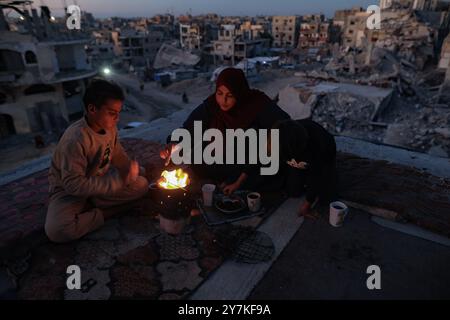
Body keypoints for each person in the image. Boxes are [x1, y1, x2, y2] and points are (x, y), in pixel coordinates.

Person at [45, 79, 149, 243]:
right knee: (58, 230)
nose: (117, 119)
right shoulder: (75, 140)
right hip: (69, 190)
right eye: (111, 113)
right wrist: (116, 183)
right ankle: (107, 212)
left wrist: (128, 169)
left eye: (118, 113)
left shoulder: (109, 128)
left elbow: (116, 153)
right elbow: (73, 184)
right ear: (92, 109)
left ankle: (94, 203)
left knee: (142, 185)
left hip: (98, 182)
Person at [160, 68, 290, 195]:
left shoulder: (257, 104)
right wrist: (173, 142)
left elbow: (285, 126)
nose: (223, 100)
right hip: (216, 157)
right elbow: (190, 127)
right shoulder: (211, 105)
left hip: (245, 162)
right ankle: (221, 181)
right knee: (191, 153)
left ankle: (235, 181)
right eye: (220, 93)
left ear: (240, 93)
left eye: (230, 95)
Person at [272, 119, 337, 217]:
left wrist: (307, 205)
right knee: (293, 192)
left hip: (324, 160)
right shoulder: (281, 138)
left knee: (326, 199)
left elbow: (316, 176)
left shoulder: (317, 145)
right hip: (300, 161)